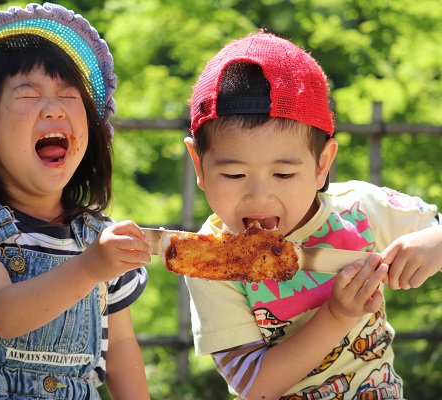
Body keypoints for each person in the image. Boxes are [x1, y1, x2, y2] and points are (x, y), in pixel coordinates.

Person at [183, 31, 442, 399]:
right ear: (199, 165)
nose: (259, 196)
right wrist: (337, 316)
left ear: (322, 165)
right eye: (234, 175)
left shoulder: (360, 212)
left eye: (284, 174)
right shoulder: (209, 262)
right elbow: (253, 386)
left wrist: (435, 242)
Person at [0, 3, 151, 399]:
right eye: (28, 94)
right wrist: (90, 267)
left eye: (68, 95)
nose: (54, 108)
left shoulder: (101, 237)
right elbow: (1, 314)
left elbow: (121, 351)